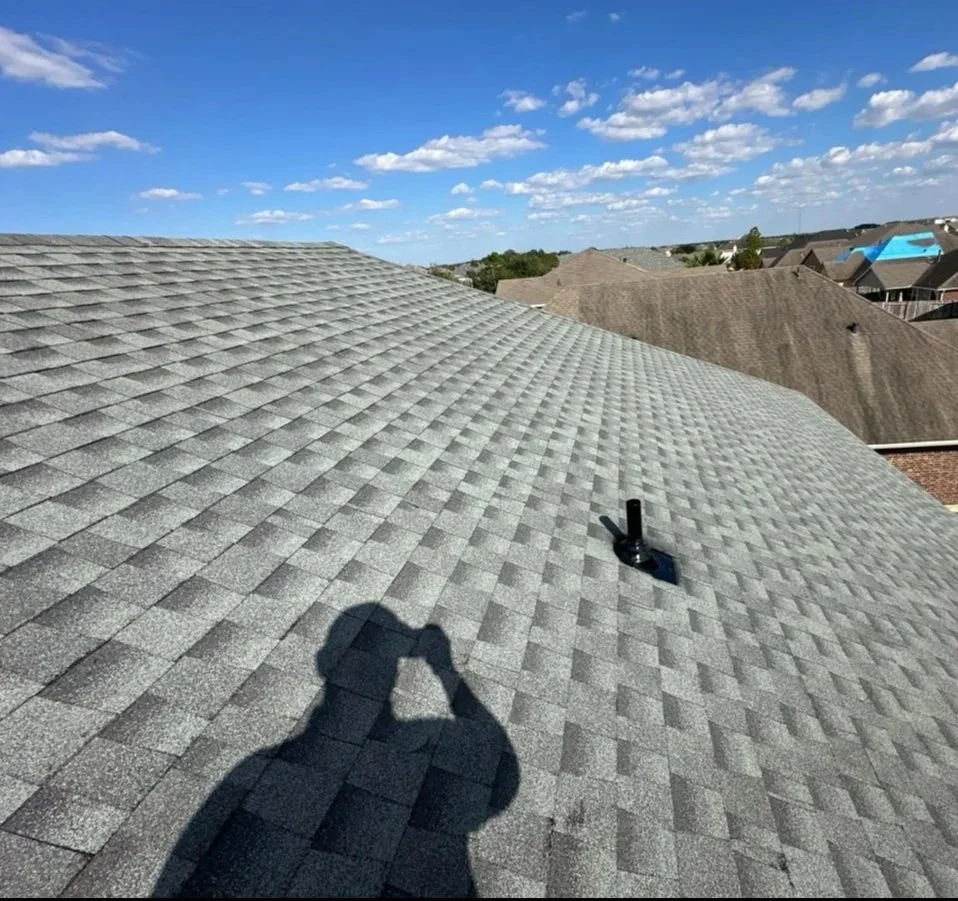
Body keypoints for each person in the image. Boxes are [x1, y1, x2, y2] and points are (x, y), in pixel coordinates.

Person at [155, 603, 519, 898]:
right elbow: (492, 754)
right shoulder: (428, 735)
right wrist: (444, 668)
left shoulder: (253, 769)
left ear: (325, 662)